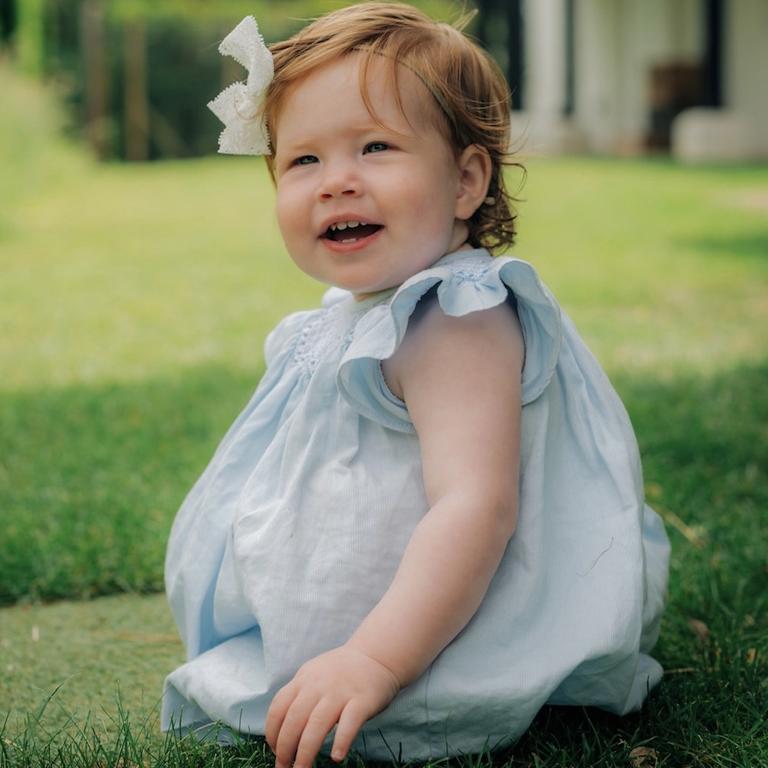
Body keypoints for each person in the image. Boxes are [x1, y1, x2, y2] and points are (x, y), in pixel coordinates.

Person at [162, 3, 671, 766]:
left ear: (466, 180)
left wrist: (374, 659)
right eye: (303, 161)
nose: (337, 182)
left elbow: (477, 505)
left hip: (429, 637)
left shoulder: (457, 319)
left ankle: (388, 669)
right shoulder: (354, 313)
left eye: (375, 147)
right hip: (386, 620)